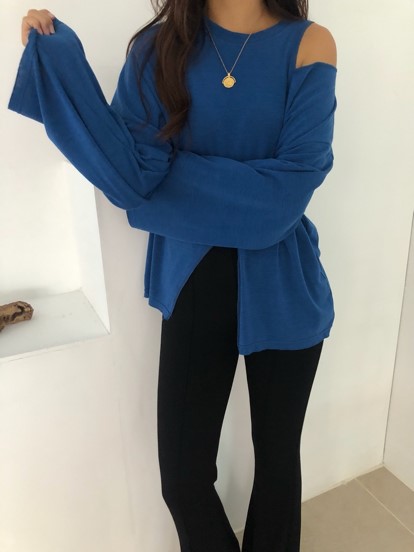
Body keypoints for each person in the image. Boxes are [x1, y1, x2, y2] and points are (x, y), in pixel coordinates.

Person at [14, 2, 337, 551]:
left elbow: (286, 196)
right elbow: (128, 177)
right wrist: (58, 63)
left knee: (278, 463)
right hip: (193, 280)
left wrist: (168, 182)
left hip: (285, 283)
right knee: (183, 478)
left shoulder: (311, 43)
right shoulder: (158, 48)